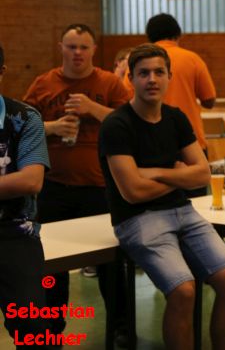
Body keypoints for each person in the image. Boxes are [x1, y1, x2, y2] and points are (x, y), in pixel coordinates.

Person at [99, 43, 225, 350]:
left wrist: (153, 172)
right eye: (143, 73)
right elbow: (133, 193)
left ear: (169, 77)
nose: (152, 79)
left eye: (159, 72)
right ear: (130, 79)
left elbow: (202, 174)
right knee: (183, 291)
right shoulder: (116, 125)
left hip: (183, 212)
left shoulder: (176, 118)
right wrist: (178, 176)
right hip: (137, 220)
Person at [22, 23, 131, 343]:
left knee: (110, 264)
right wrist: (52, 127)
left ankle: (122, 326)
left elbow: (130, 124)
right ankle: (51, 329)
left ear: (94, 50)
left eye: (84, 47)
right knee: (52, 265)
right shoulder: (43, 83)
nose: (78, 53)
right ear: (61, 48)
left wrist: (93, 108)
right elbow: (21, 128)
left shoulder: (109, 83)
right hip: (54, 188)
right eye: (71, 47)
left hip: (100, 188)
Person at [0, 43, 54, 349]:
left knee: (33, 329)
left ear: (2, 72)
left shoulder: (24, 117)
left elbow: (31, 180)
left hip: (15, 232)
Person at [145, 14, 216, 188]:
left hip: (149, 141)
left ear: (149, 36)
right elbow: (209, 100)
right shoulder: (192, 59)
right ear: (178, 34)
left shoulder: (141, 62)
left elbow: (126, 98)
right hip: (190, 142)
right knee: (195, 199)